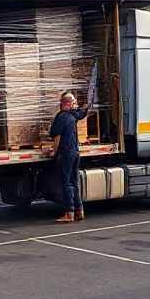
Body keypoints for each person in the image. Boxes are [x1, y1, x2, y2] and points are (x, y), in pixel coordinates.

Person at [49, 92, 90, 223]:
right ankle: (79, 210)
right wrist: (85, 106)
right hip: (75, 153)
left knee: (66, 183)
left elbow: (57, 137)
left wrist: (54, 152)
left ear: (62, 103)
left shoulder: (61, 117)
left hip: (66, 153)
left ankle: (69, 213)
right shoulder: (74, 116)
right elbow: (82, 113)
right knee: (74, 182)